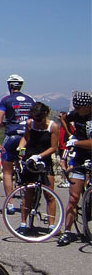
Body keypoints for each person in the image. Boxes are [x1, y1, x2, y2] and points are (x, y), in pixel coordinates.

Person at [16, 102, 59, 235]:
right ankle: (23, 222)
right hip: (30, 157)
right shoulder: (30, 123)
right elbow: (25, 137)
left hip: (44, 158)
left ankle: (52, 225)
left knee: (49, 194)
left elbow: (53, 147)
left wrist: (39, 156)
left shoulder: (53, 127)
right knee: (29, 192)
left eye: (39, 119)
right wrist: (20, 148)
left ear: (45, 115)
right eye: (35, 119)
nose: (37, 122)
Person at [0, 74, 35, 214]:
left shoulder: (6, 100)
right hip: (28, 137)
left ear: (9, 86)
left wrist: (9, 123)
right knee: (29, 167)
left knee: (7, 171)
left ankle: (10, 203)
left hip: (12, 136)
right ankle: (31, 200)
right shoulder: (31, 100)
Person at [56, 91, 92, 246]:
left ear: (87, 107)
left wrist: (75, 142)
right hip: (80, 158)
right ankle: (67, 231)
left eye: (78, 108)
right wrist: (70, 131)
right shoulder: (76, 114)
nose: (76, 110)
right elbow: (65, 119)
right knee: (73, 197)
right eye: (75, 107)